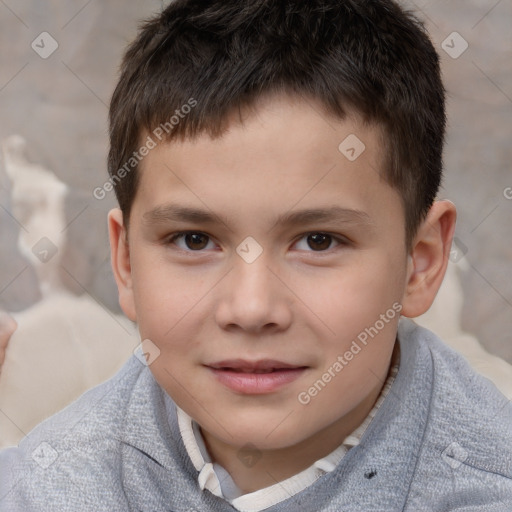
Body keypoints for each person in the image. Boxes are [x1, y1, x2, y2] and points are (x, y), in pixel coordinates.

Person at [1, 1, 511, 510]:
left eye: (319, 241)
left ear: (419, 263)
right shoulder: (41, 487)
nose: (250, 308)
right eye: (194, 240)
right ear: (127, 264)